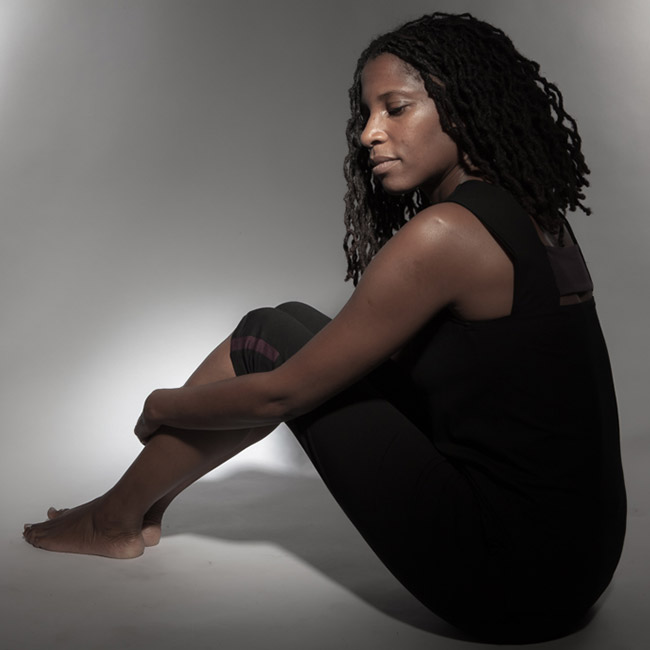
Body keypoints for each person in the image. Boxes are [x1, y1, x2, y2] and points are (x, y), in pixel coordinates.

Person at [23, 12, 626, 643]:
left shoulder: (447, 234)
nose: (369, 133)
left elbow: (281, 396)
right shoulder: (529, 213)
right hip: (577, 560)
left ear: (462, 104)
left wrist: (159, 404)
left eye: (396, 108)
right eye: (367, 113)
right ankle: (137, 504)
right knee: (292, 324)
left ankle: (116, 517)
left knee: (266, 340)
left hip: (508, 578)